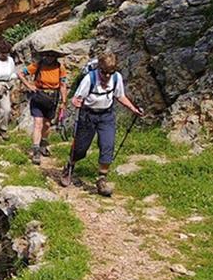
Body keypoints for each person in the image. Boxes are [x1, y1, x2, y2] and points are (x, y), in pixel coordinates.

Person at [61, 53, 144, 196]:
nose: (107, 76)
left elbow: (120, 96)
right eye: (104, 72)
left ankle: (101, 179)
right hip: (88, 115)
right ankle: (70, 165)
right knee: (80, 148)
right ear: (99, 68)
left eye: (110, 73)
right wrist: (76, 102)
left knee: (108, 145)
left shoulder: (116, 78)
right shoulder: (90, 78)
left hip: (106, 115)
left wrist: (133, 109)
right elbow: (76, 98)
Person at [17, 47, 68, 165]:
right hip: (39, 96)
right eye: (48, 55)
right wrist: (29, 85)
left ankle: (43, 143)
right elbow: (20, 73)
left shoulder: (60, 68)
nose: (49, 58)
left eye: (52, 55)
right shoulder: (38, 65)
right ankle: (36, 150)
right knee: (38, 123)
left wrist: (63, 101)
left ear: (55, 57)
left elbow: (63, 85)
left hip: (52, 98)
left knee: (47, 124)